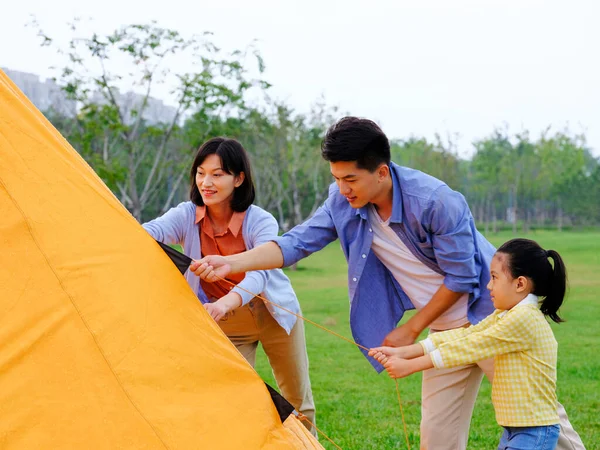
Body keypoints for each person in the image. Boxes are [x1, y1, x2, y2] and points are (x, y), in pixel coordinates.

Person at [191, 117, 584, 449]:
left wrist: (411, 328)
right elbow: (296, 243)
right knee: (437, 437)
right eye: (336, 178)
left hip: (488, 320)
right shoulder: (343, 201)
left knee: (539, 417)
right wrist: (231, 262)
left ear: (381, 172)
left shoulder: (436, 202)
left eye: (350, 179)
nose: (343, 189)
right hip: (443, 330)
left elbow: (463, 277)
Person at [143, 137, 316, 433]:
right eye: (200, 172)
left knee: (297, 400)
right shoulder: (186, 214)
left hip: (271, 313)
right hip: (224, 321)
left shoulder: (259, 220)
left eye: (217, 174)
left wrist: (225, 303)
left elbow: (260, 272)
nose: (205, 182)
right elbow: (148, 233)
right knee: (231, 397)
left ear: (238, 179)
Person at [370, 238, 570, 450]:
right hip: (516, 429)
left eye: (494, 278)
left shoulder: (524, 318)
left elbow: (471, 346)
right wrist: (405, 352)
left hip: (535, 430)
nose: (488, 286)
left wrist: (412, 365)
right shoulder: (505, 314)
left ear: (520, 283)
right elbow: (465, 334)